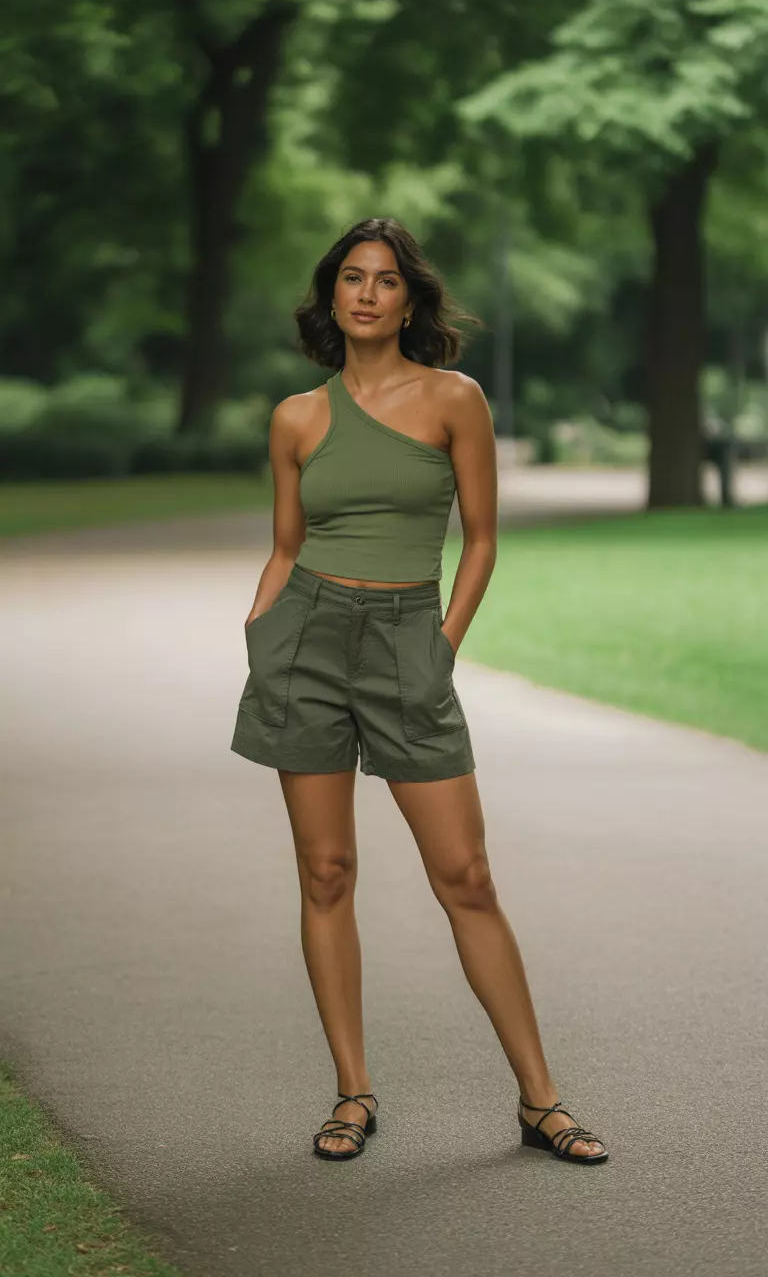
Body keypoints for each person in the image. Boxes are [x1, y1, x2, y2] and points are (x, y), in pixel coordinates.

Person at [230, 217, 608, 1165]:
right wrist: (260, 634)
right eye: (350, 279)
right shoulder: (297, 418)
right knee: (326, 875)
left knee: (466, 877)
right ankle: (352, 1093)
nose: (365, 293)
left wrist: (439, 647)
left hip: (408, 638)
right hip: (305, 642)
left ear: (410, 299)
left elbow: (480, 540)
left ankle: (541, 1101)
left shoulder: (454, 400)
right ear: (331, 298)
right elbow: (284, 545)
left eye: (385, 280)